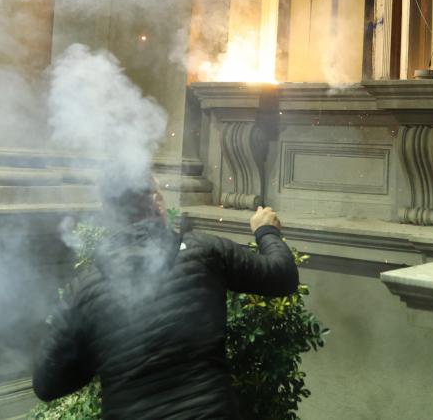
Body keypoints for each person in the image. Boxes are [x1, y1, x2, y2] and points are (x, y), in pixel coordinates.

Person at [32, 174, 299, 420]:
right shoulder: (203, 251)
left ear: (107, 213)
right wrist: (266, 230)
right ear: (157, 203)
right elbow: (282, 275)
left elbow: (47, 384)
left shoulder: (82, 290)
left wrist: (102, 355)